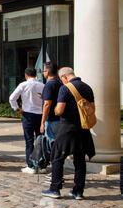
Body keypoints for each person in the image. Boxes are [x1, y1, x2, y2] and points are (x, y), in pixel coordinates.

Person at [42, 68, 96, 200]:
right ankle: (78, 191)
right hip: (83, 129)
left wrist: (55, 110)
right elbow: (92, 108)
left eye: (62, 79)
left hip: (67, 128)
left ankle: (55, 189)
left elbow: (59, 110)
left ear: (64, 77)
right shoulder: (88, 88)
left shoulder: (65, 88)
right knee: (80, 159)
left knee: (57, 157)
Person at [9, 68, 45, 174]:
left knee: (29, 141)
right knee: (41, 140)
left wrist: (17, 109)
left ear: (26, 75)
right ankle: (42, 165)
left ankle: (31, 166)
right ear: (35, 75)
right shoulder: (42, 85)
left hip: (28, 114)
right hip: (40, 114)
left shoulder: (23, 85)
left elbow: (12, 98)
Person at [41, 62, 62, 142]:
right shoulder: (60, 83)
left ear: (47, 72)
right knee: (59, 143)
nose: (43, 73)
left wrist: (42, 123)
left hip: (51, 120)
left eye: (43, 71)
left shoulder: (49, 85)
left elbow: (47, 104)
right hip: (60, 119)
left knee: (51, 143)